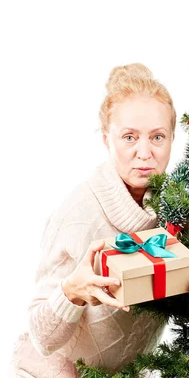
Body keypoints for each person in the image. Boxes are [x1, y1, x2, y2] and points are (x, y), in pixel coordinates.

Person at [11, 63, 177, 377]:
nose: (144, 153)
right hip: (57, 370)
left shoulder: (180, 211)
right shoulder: (79, 213)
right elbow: (41, 338)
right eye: (129, 137)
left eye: (158, 137)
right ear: (106, 140)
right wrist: (70, 292)